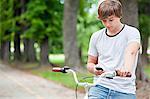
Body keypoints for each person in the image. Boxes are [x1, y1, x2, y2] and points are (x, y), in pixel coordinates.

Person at [87, 0, 141, 99]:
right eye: (104, 20)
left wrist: (126, 69)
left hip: (124, 90)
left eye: (111, 20)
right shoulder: (96, 36)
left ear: (119, 16)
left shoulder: (132, 32)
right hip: (100, 86)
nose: (107, 24)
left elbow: (131, 51)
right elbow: (90, 63)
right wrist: (94, 69)